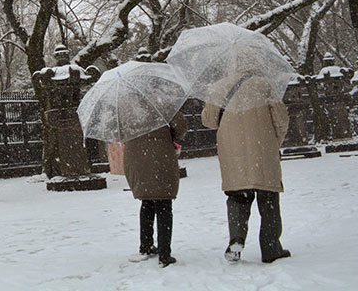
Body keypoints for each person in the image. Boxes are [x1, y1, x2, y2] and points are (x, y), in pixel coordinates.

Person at [202, 72, 290, 263]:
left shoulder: (218, 87)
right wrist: (275, 142)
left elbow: (209, 121)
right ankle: (271, 247)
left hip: (232, 151)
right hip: (263, 149)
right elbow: (281, 120)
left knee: (237, 197)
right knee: (268, 199)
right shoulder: (265, 84)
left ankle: (236, 239)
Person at [123, 110, 187, 267]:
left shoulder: (126, 106)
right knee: (163, 203)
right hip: (160, 155)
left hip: (135, 156)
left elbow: (119, 131)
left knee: (147, 201)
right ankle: (164, 254)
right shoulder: (161, 102)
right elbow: (180, 126)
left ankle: (145, 246)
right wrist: (173, 136)